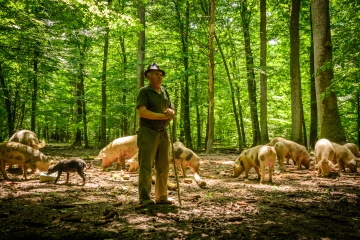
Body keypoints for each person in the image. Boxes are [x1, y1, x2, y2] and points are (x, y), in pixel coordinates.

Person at [136, 63, 175, 205]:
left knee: (163, 166)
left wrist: (171, 113)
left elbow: (171, 109)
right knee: (146, 166)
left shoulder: (164, 91)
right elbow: (143, 112)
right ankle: (145, 198)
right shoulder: (144, 91)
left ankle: (161, 197)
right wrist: (161, 116)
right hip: (148, 132)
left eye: (161, 74)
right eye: (156, 74)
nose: (159, 77)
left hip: (163, 133)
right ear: (148, 76)